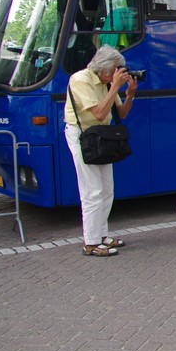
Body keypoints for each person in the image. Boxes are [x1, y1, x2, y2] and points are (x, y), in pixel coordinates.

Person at [64, 46, 138, 257]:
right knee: (92, 191)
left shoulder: (107, 83)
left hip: (101, 137)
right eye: (116, 69)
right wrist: (115, 87)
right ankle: (91, 243)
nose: (118, 73)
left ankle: (102, 235)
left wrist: (129, 95)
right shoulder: (80, 80)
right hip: (83, 137)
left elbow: (121, 113)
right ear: (104, 68)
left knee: (106, 190)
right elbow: (98, 113)